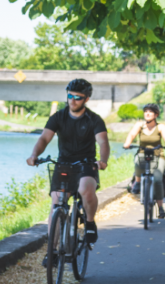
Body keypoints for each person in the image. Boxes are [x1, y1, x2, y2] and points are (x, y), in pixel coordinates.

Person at [26, 78, 109, 254]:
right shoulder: (58, 117)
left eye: (78, 97)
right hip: (63, 164)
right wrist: (34, 155)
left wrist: (102, 160)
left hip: (86, 164)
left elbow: (103, 142)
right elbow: (44, 138)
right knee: (56, 202)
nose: (72, 100)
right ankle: (52, 252)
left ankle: (89, 222)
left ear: (86, 99)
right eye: (70, 96)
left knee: (86, 190)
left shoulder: (94, 119)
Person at [123, 103, 165, 218]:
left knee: (158, 180)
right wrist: (127, 143)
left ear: (156, 115)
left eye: (150, 112)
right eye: (146, 111)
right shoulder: (139, 125)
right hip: (142, 154)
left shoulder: (160, 127)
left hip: (157, 155)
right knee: (137, 160)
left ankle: (160, 208)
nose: (147, 113)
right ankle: (138, 182)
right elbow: (131, 134)